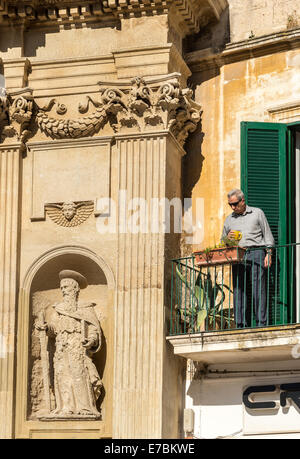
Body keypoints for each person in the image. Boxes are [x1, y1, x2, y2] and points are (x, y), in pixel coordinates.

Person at [36, 269, 102, 418]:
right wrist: (47, 328)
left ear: (75, 288)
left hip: (77, 347)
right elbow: (55, 328)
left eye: (66, 287)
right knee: (62, 376)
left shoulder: (86, 308)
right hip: (61, 348)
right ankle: (66, 407)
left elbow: (93, 329)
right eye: (61, 288)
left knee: (79, 375)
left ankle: (85, 408)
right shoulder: (58, 309)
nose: (63, 290)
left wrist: (91, 340)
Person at [221, 189, 275, 328]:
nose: (232, 207)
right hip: (237, 255)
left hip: (257, 252)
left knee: (259, 289)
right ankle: (240, 325)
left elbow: (267, 235)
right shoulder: (229, 219)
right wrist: (228, 239)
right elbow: (223, 241)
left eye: (234, 204)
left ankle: (261, 324)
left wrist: (269, 254)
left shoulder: (257, 213)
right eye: (230, 205)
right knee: (239, 290)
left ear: (243, 201)